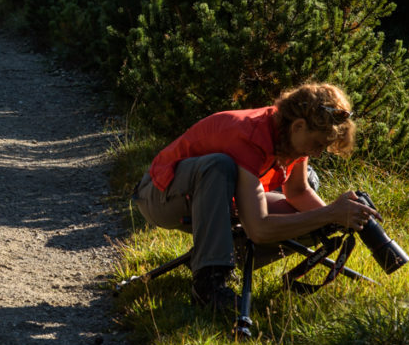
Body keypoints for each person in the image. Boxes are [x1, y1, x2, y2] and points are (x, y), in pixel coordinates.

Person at [132, 82, 380, 313]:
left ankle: (213, 255)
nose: (317, 152)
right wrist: (330, 213)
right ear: (299, 126)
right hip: (161, 196)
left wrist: (334, 220)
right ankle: (209, 285)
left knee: (310, 218)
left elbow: (298, 192)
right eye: (317, 144)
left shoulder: (289, 133)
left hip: (217, 199)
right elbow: (259, 229)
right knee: (219, 165)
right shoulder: (249, 134)